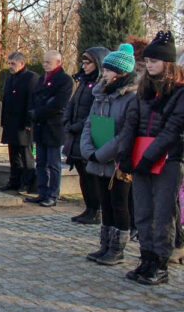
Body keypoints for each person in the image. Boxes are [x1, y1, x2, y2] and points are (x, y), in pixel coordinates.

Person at [119, 31, 184, 285]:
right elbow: (130, 124)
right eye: (148, 62)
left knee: (163, 213)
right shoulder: (143, 91)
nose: (150, 65)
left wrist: (150, 156)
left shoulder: (179, 92)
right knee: (143, 211)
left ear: (167, 63)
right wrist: (125, 155)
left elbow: (173, 128)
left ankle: (160, 262)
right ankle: (145, 258)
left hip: (167, 160)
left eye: (155, 61)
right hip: (140, 158)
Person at [80, 43, 137, 265]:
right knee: (105, 203)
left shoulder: (131, 98)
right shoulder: (100, 94)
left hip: (117, 162)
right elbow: (89, 123)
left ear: (121, 73)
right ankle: (104, 245)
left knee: (119, 203)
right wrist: (88, 150)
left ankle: (117, 249)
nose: (104, 74)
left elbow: (125, 133)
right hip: (97, 157)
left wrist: (101, 153)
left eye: (108, 70)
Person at [62, 46, 109, 221]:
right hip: (76, 135)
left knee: (91, 176)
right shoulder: (83, 83)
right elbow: (72, 104)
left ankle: (96, 210)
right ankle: (89, 207)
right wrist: (67, 121)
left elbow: (94, 111)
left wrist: (78, 126)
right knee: (83, 174)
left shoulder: (99, 85)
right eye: (83, 61)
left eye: (88, 62)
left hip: (87, 134)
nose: (84, 65)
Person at [27, 50, 73, 207]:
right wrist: (34, 112)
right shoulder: (42, 79)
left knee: (53, 163)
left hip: (54, 127)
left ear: (58, 63)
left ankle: (53, 194)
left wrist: (39, 112)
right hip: (40, 126)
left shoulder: (64, 80)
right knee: (40, 162)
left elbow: (58, 104)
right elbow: (36, 98)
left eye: (48, 62)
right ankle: (42, 192)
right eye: (44, 62)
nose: (45, 64)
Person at [0, 51, 39, 192]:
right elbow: (6, 101)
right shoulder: (10, 79)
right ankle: (14, 181)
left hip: (23, 124)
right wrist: (3, 121)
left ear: (22, 63)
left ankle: (27, 183)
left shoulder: (31, 78)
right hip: (11, 123)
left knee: (26, 155)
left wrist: (29, 122)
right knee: (13, 155)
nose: (10, 66)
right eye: (9, 63)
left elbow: (32, 101)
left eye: (13, 64)